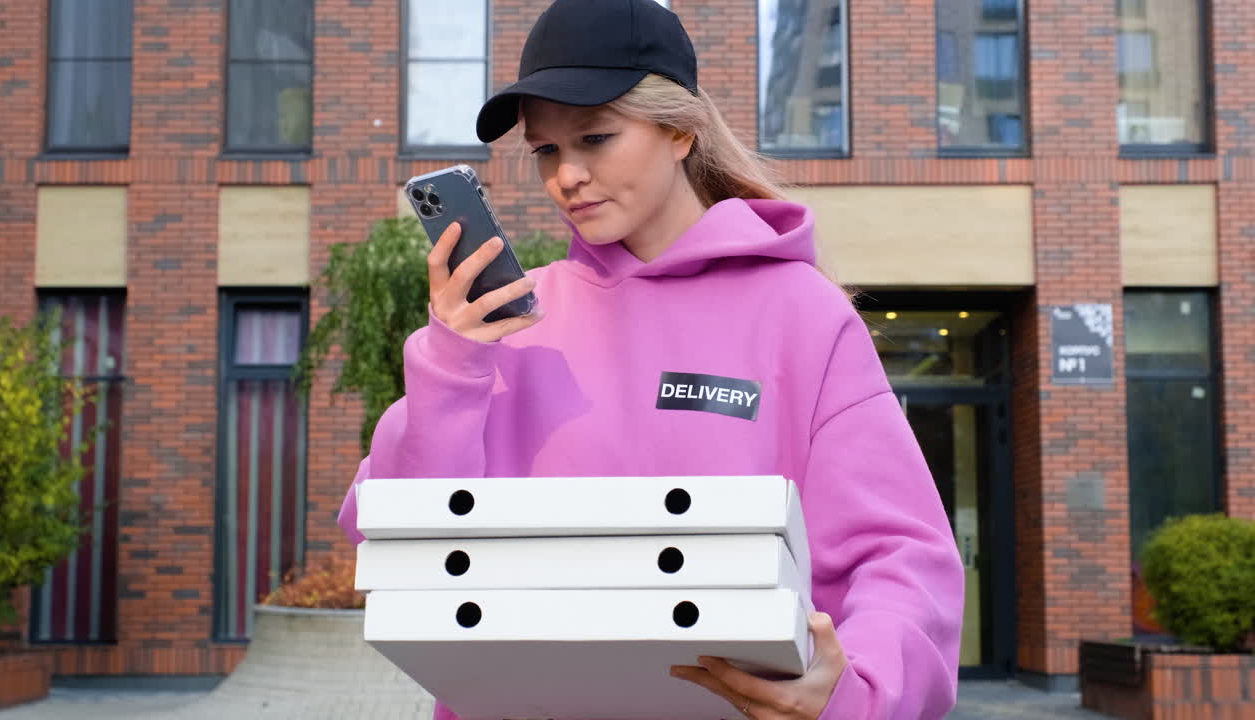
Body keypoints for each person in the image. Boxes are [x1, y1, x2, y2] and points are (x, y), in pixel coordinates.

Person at [337, 0, 964, 717]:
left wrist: (858, 696)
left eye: (595, 137)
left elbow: (902, 560)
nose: (566, 176)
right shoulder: (506, 326)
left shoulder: (804, 315)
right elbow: (396, 540)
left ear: (679, 131)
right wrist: (449, 367)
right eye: (546, 150)